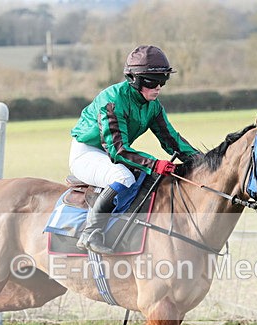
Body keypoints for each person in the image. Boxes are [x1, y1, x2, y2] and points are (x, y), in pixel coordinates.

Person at [69, 45, 199, 254]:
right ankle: (91, 233)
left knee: (150, 179)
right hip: (88, 152)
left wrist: (202, 161)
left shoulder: (153, 105)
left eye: (163, 81)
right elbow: (117, 150)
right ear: (135, 80)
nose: (158, 87)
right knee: (124, 178)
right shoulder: (111, 100)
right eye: (152, 82)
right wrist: (155, 164)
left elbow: (171, 140)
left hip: (112, 153)